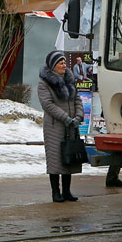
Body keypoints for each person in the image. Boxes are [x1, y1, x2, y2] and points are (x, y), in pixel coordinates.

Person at [38, 51, 83, 203]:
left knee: (68, 158)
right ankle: (55, 193)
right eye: (60, 62)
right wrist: (65, 118)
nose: (64, 65)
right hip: (54, 127)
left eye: (64, 62)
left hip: (71, 126)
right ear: (52, 66)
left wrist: (78, 116)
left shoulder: (69, 80)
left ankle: (67, 191)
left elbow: (77, 99)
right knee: (55, 160)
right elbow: (48, 105)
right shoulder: (44, 83)